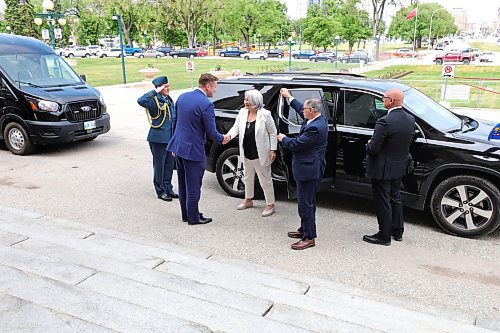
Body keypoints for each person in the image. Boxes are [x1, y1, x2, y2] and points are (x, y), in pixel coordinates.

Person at [167, 73, 230, 225]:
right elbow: (211, 131)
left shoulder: (182, 97)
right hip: (193, 150)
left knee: (182, 184)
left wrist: (174, 143)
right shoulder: (206, 104)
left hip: (179, 147)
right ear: (207, 86)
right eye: (214, 87)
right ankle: (194, 218)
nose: (214, 91)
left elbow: (175, 121)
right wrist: (223, 139)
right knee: (194, 186)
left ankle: (186, 214)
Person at [363, 88, 415, 246]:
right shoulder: (410, 118)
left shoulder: (385, 121)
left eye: (384, 98)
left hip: (383, 168)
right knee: (395, 198)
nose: (382, 100)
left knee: (383, 201)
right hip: (399, 166)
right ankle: (397, 231)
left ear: (391, 101)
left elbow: (373, 148)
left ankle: (383, 236)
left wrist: (368, 144)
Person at [278, 88, 328, 250]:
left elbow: (297, 145)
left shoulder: (315, 128)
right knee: (307, 201)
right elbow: (300, 108)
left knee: (305, 204)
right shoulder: (316, 119)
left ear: (312, 111)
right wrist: (289, 97)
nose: (303, 112)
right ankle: (304, 229)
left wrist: (283, 138)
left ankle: (309, 237)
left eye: (306, 110)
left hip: (309, 170)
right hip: (309, 167)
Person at [226, 89, 277, 217]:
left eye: (248, 100)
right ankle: (248, 199)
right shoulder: (242, 112)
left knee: (265, 180)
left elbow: (273, 133)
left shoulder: (265, 114)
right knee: (247, 177)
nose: (245, 102)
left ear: (256, 101)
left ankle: (270, 204)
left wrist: (273, 149)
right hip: (246, 152)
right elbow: (236, 128)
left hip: (261, 154)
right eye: (245, 99)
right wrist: (228, 136)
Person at [137, 76, 178, 202]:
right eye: (165, 86)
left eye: (168, 86)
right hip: (158, 139)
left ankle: (168, 188)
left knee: (169, 165)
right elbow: (140, 100)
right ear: (159, 87)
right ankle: (160, 191)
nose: (168, 88)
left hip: (170, 138)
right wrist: (155, 91)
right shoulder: (154, 100)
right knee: (159, 166)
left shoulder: (168, 99)